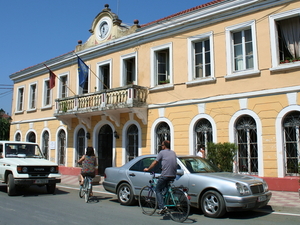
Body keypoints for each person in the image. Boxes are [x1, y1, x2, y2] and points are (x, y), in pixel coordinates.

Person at [144, 140, 177, 214]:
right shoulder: (173, 152)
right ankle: (165, 198)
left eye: (162, 145)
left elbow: (155, 162)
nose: (161, 147)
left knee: (157, 190)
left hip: (165, 175)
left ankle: (162, 207)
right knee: (164, 188)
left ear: (164, 146)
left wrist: (148, 169)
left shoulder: (161, 152)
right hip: (173, 175)